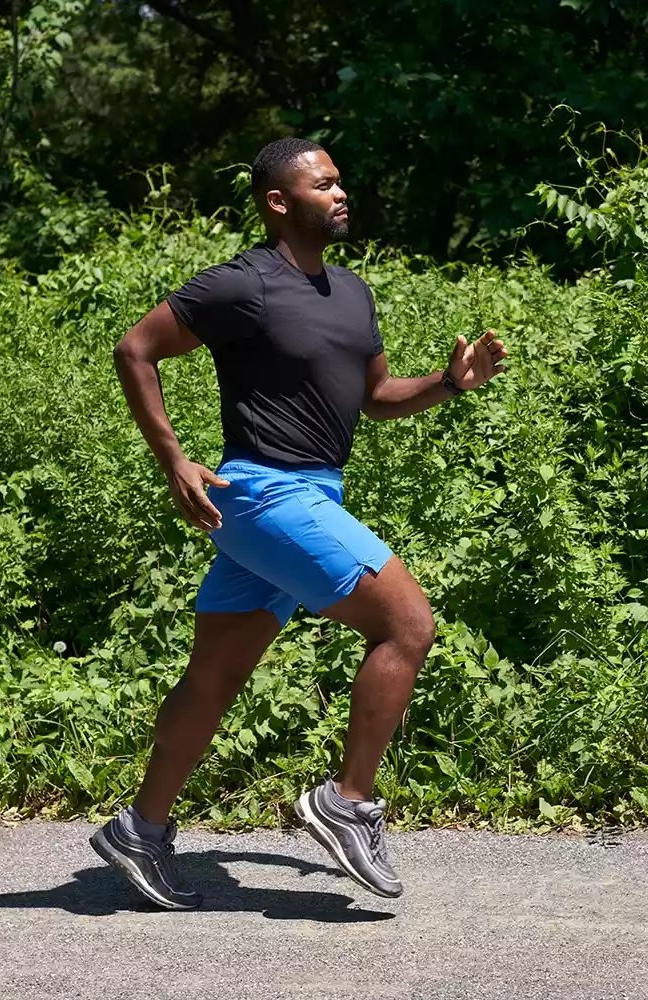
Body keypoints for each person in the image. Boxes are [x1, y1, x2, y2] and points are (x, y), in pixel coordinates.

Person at [91, 137, 508, 909]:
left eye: (340, 181)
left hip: (309, 493)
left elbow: (377, 398)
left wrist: (450, 383)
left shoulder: (350, 293)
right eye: (323, 185)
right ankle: (347, 802)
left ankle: (137, 832)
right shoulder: (242, 285)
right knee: (408, 627)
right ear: (280, 202)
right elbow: (136, 349)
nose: (340, 193)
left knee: (214, 676)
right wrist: (173, 458)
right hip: (263, 493)